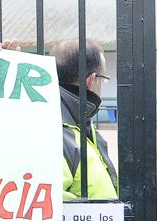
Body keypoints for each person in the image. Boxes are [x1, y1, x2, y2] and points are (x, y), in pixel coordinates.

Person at [50, 39, 118, 200]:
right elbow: (48, 203)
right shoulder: (59, 132)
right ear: (91, 80)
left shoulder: (78, 122)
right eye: (102, 80)